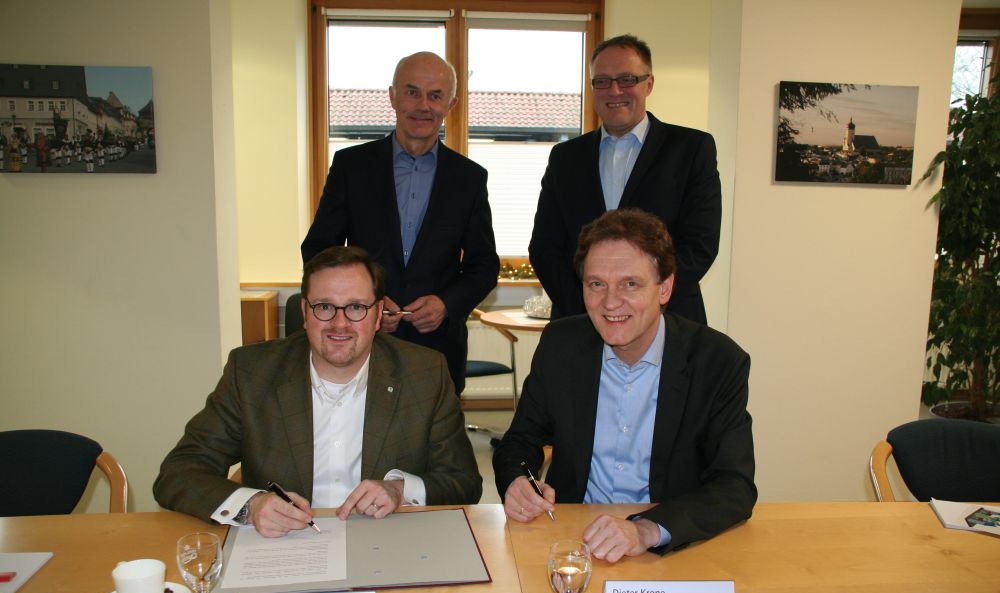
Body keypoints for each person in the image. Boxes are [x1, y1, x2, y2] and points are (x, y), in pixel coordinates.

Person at [154, 246, 483, 537]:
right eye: (324, 307)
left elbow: (464, 482)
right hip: (282, 548)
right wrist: (251, 506)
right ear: (304, 312)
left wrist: (400, 489)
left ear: (378, 314)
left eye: (356, 307)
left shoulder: (425, 373)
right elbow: (178, 472)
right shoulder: (252, 374)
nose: (340, 324)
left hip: (385, 545)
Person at [493, 209, 755, 562]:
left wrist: (647, 529)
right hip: (573, 540)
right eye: (596, 284)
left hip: (669, 549)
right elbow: (520, 441)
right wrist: (517, 481)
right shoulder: (560, 345)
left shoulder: (717, 361)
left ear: (665, 288)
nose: (611, 302)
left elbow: (734, 486)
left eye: (630, 284)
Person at [301, 51, 499, 395]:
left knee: (435, 432)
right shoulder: (351, 167)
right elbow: (318, 250)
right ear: (392, 96)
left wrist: (446, 304)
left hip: (438, 348)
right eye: (412, 92)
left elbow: (484, 265)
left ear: (450, 105)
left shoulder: (469, 178)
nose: (423, 105)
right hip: (361, 340)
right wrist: (365, 303)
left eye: (435, 95)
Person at [529, 34, 722, 324]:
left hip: (667, 322)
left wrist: (644, 305)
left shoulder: (691, 149)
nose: (614, 90)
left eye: (627, 79)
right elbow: (544, 247)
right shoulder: (565, 157)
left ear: (649, 84)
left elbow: (700, 244)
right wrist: (590, 307)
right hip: (580, 324)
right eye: (602, 81)